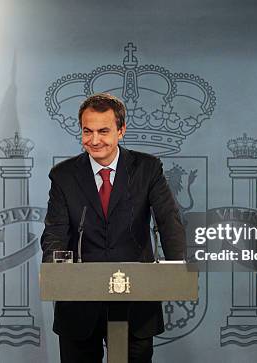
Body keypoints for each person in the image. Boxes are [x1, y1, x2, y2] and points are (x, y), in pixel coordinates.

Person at [41, 93, 186, 363]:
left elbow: (168, 220)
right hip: (79, 301)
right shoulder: (63, 175)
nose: (94, 140)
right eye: (87, 131)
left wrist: (178, 267)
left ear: (121, 131)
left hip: (135, 298)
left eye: (103, 131)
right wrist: (53, 268)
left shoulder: (147, 168)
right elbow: (55, 232)